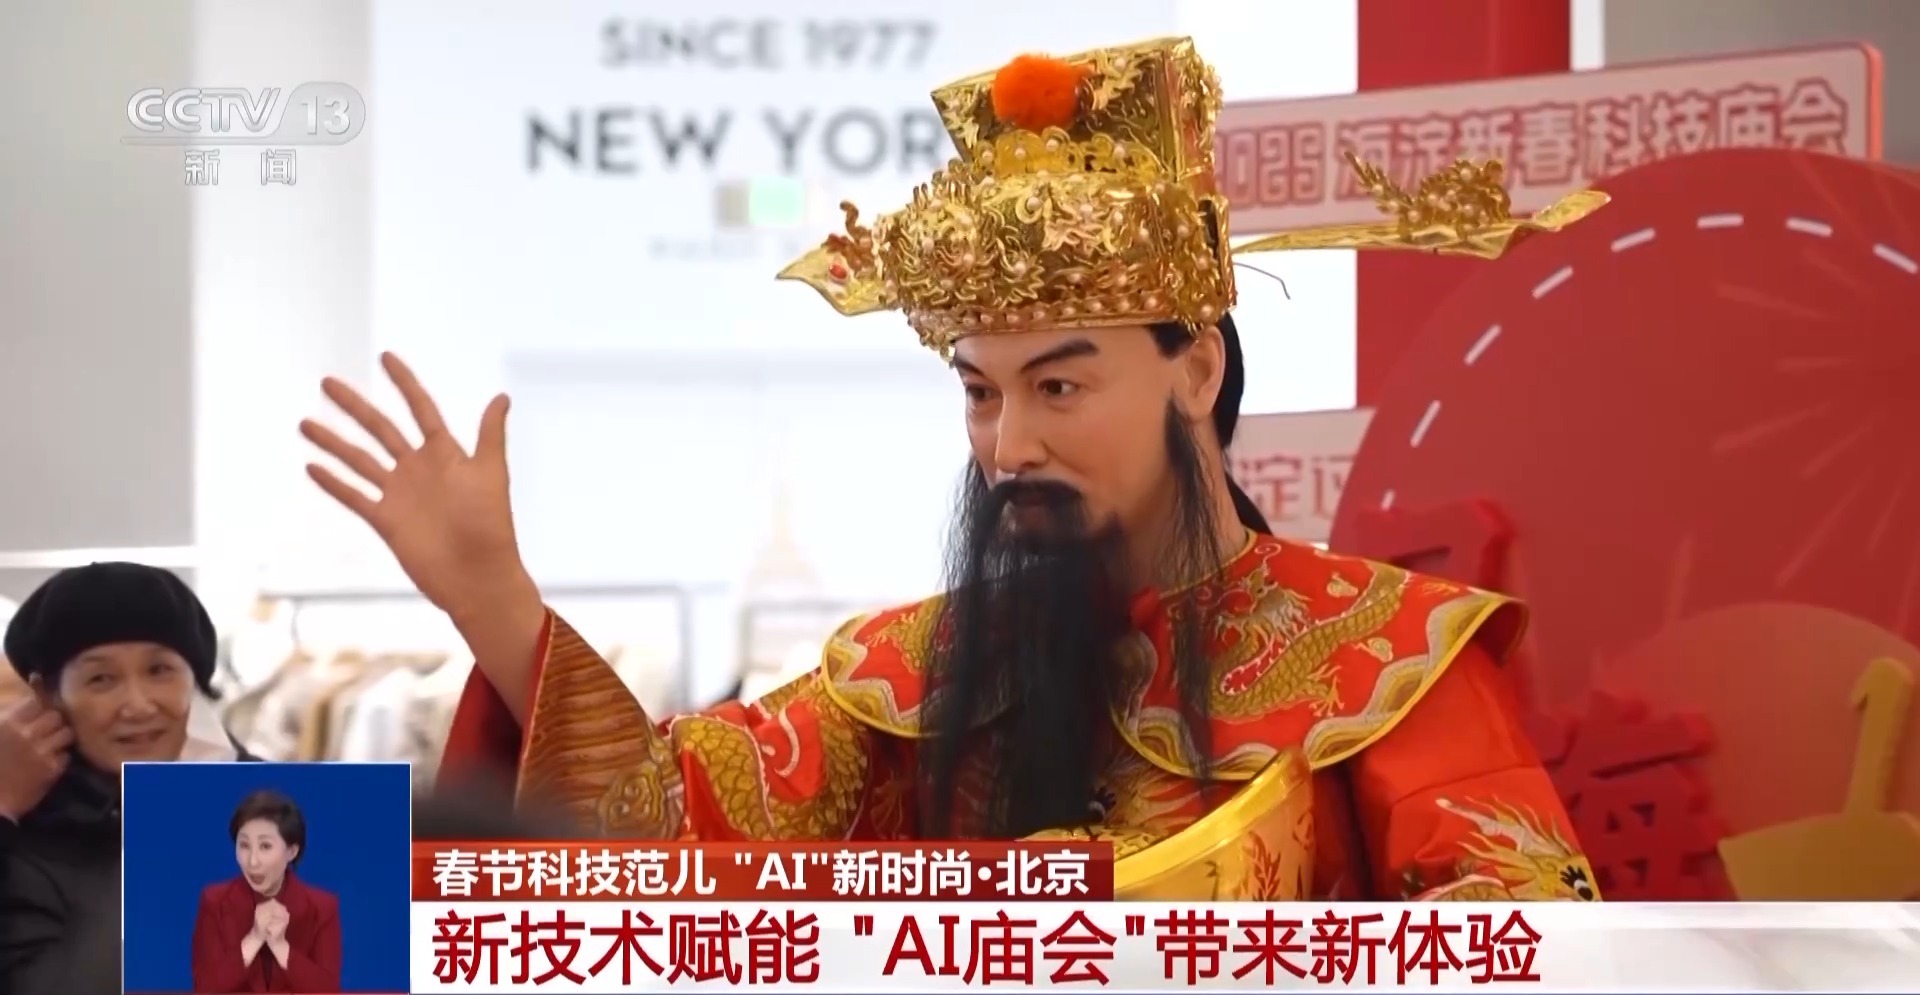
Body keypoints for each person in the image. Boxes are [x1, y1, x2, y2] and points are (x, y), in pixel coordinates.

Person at [300, 37, 1606, 900]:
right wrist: (496, 600)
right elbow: (663, 834)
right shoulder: (905, 678)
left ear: (1197, 370)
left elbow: (1533, 945)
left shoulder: (1390, 663)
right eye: (979, 391)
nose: (1007, 444)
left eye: (1059, 386)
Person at [0, 562, 260, 994]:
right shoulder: (24, 831)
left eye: (160, 671)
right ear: (46, 695)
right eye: (101, 679)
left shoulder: (279, 805)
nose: (138, 706)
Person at [191, 789, 342, 993]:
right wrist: (254, 939)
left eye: (265, 846)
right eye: (244, 845)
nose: (252, 861)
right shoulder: (214, 901)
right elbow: (204, 987)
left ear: (291, 851)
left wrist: (281, 947)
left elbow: (328, 990)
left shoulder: (322, 908)